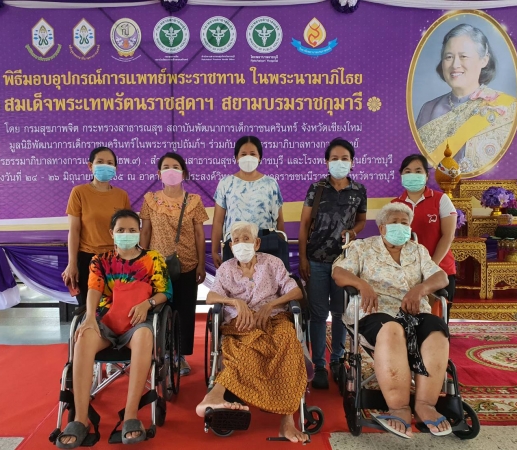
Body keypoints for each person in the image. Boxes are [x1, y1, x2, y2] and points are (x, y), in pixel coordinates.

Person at [332, 203, 451, 439]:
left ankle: (425, 404)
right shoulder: (362, 247)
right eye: (394, 222)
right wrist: (362, 284)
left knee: (437, 329)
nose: (400, 226)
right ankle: (399, 408)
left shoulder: (418, 251)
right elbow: (339, 272)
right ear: (382, 227)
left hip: (412, 311)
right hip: (373, 312)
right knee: (392, 329)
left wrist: (420, 289)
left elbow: (441, 277)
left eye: (404, 223)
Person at [56, 209, 172, 448]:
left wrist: (147, 304)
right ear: (112, 233)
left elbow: (165, 292)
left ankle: (130, 415)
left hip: (137, 321)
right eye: (121, 230)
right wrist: (90, 317)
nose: (126, 234)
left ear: (139, 232)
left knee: (144, 335)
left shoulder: (153, 259)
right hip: (106, 320)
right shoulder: (100, 260)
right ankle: (80, 418)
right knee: (83, 336)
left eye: (132, 230)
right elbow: (94, 289)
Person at [196, 221, 308, 443]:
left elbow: (295, 292)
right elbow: (211, 297)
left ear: (256, 243)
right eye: (236, 240)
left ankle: (287, 421)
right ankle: (214, 396)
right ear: (230, 245)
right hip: (240, 324)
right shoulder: (226, 268)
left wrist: (271, 305)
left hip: (274, 320)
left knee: (289, 343)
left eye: (246, 239)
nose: (240, 244)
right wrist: (235, 302)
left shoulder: (273, 263)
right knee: (242, 348)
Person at [298, 138, 367, 389]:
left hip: (343, 264)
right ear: (327, 162)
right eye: (335, 158)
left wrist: (353, 232)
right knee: (318, 315)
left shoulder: (358, 190)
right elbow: (304, 224)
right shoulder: (316, 188)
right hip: (316, 260)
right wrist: (303, 258)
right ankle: (319, 365)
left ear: (352, 162)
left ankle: (337, 360)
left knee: (340, 313)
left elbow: (361, 220)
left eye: (344, 158)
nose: (340, 162)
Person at [140, 152, 209, 376]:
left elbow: (199, 235)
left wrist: (201, 264)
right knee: (159, 311)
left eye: (176, 167)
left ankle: (180, 357)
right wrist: (140, 263)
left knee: (184, 311)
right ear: (159, 173)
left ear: (184, 173)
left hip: (188, 265)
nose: (171, 171)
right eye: (166, 167)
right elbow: (145, 232)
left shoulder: (194, 200)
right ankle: (161, 354)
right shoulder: (150, 199)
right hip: (157, 267)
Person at [416, 23, 517, 174]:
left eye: (463, 56)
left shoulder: (506, 107)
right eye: (448, 57)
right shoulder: (428, 109)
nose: (455, 64)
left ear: (484, 60)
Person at [62, 147, 131, 307]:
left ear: (115, 168)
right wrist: (72, 264)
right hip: (87, 259)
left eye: (110, 163)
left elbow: (126, 229)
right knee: (89, 310)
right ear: (90, 166)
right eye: (100, 162)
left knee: (115, 310)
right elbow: (74, 231)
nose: (105, 165)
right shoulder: (79, 192)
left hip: (116, 260)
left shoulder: (122, 195)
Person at [392, 154, 456, 321]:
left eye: (418, 171)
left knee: (436, 324)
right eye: (408, 171)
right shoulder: (395, 205)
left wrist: (430, 267)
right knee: (408, 323)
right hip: (406, 275)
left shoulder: (441, 199)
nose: (413, 174)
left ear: (427, 176)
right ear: (401, 175)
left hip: (440, 271)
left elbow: (448, 236)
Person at [211, 136, 285, 268]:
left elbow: (279, 220)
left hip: (266, 245)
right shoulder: (226, 183)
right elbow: (218, 221)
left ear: (259, 157)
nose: (248, 158)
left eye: (253, 154)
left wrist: (282, 248)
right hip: (235, 246)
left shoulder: (271, 184)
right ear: (236, 158)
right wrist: (214, 250)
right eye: (243, 154)